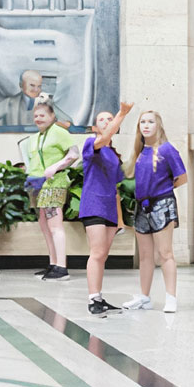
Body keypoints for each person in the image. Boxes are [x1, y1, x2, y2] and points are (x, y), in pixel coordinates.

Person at [48, 101, 132, 314]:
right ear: (95, 127)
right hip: (93, 205)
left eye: (109, 118)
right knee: (96, 253)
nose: (106, 121)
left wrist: (120, 220)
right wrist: (122, 113)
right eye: (101, 119)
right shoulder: (90, 143)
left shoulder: (113, 155)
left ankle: (99, 297)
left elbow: (115, 188)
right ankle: (93, 300)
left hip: (109, 208)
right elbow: (103, 139)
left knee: (103, 255)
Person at [125, 110, 186, 313]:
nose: (146, 125)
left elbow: (182, 177)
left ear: (158, 125)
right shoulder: (140, 151)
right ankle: (144, 296)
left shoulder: (167, 149)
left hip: (162, 204)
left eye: (150, 122)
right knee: (144, 255)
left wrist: (163, 191)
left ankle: (171, 297)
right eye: (143, 122)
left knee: (165, 253)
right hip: (142, 207)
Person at [19, 97, 76, 280]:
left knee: (55, 225)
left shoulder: (59, 132)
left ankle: (62, 267)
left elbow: (74, 153)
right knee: (44, 225)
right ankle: (53, 263)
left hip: (54, 183)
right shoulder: (35, 137)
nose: (38, 118)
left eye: (42, 115)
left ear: (52, 116)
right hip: (37, 184)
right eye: (36, 115)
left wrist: (57, 166)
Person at [0, 69, 68, 129]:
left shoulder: (47, 103)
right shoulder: (9, 103)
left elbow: (67, 122)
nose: (36, 90)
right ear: (21, 85)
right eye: (32, 85)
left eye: (39, 86)